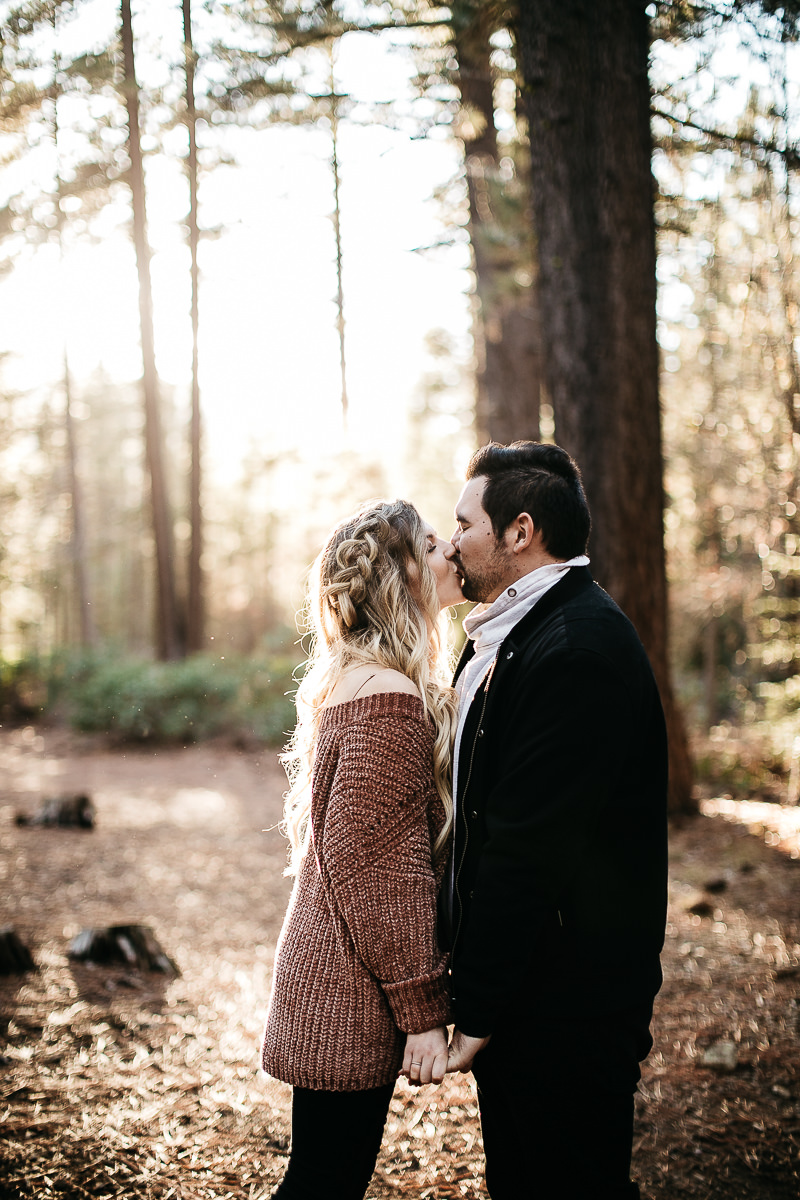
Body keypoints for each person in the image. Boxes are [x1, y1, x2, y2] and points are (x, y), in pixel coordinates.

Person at [442, 441, 669, 1200]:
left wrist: (477, 1005)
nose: (451, 543)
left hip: (567, 1008)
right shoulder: (514, 637)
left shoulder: (576, 649)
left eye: (464, 523)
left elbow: (524, 846)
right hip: (530, 993)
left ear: (519, 531)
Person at [261, 498, 463, 1200]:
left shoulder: (361, 679)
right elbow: (379, 867)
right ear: (400, 572)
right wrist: (422, 1009)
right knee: (324, 1183)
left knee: (320, 1177)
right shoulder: (389, 697)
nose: (451, 554)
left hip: (337, 967)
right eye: (434, 544)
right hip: (352, 985)